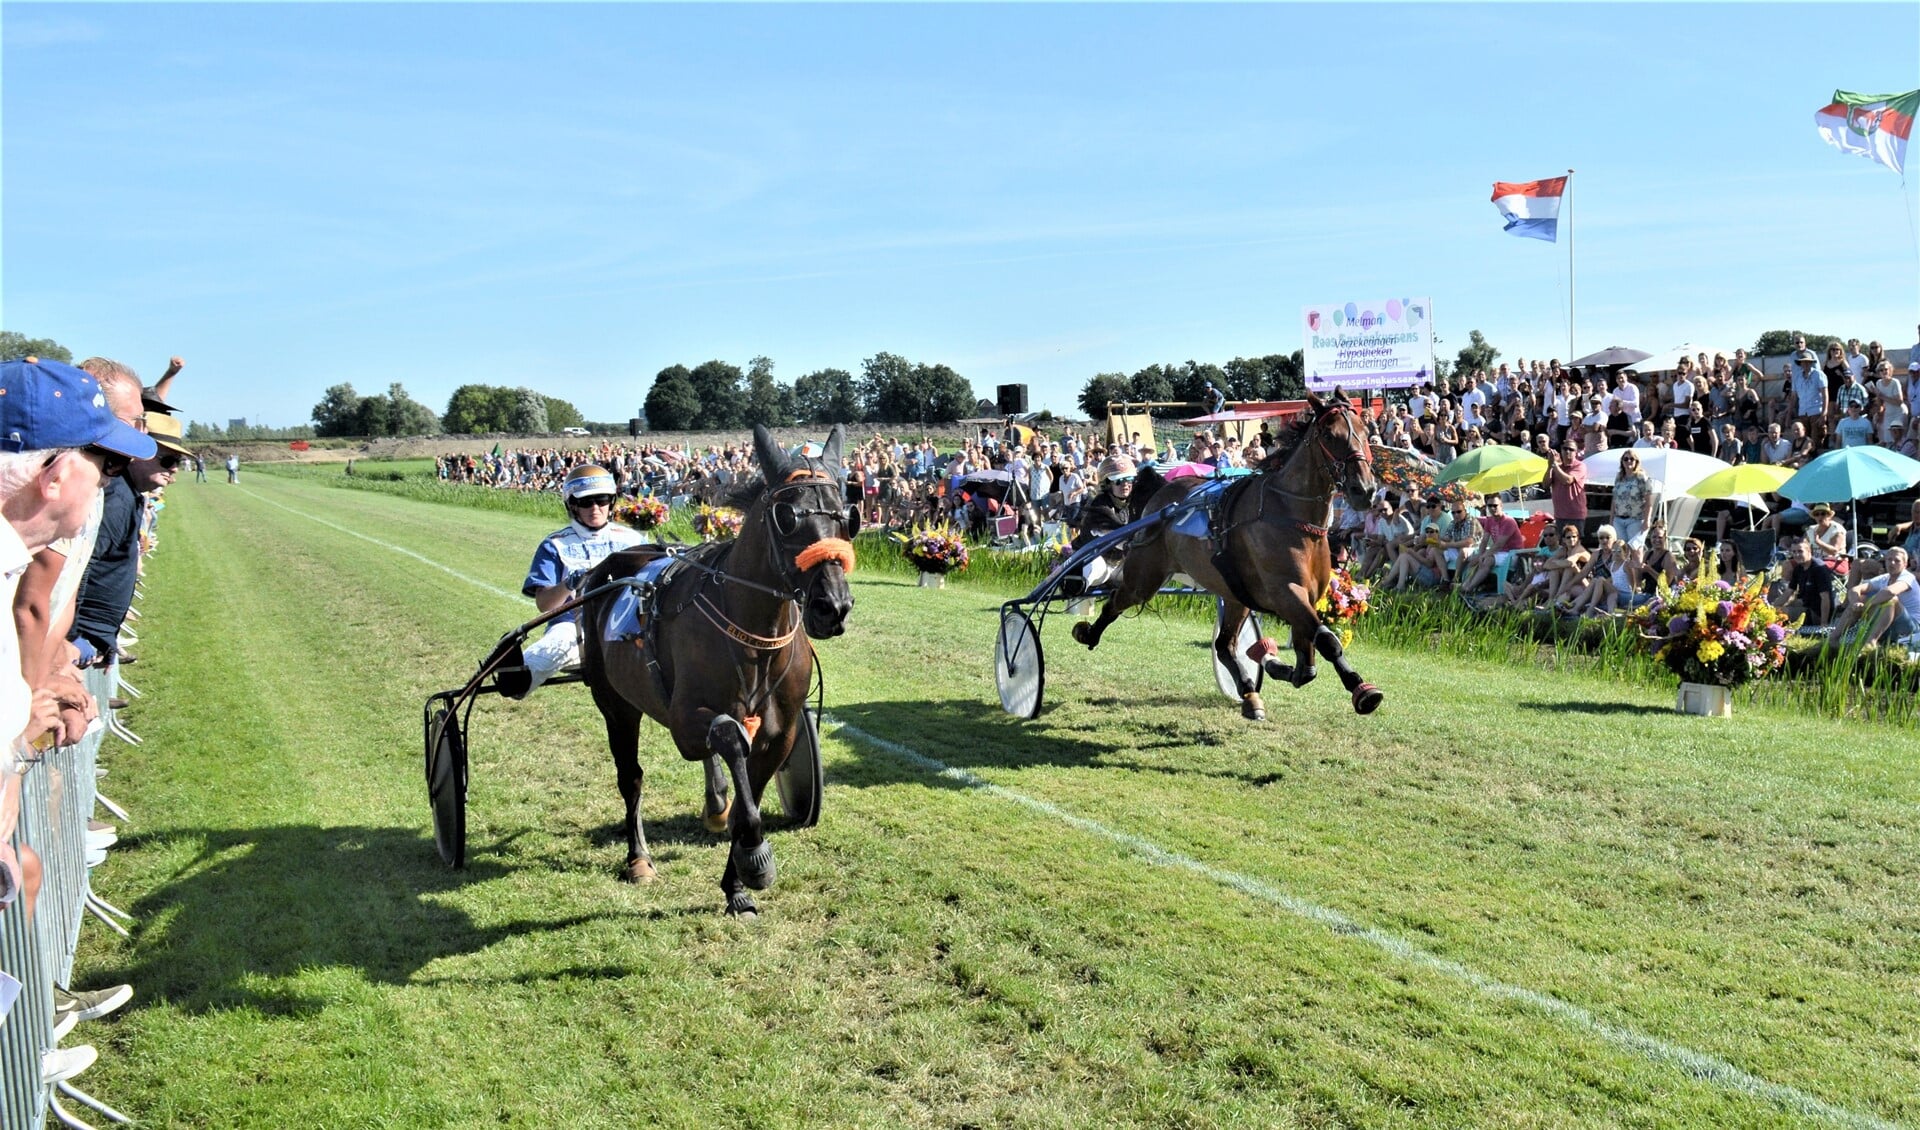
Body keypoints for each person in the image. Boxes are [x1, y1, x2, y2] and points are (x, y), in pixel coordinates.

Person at [517, 465, 648, 694]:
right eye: (586, 502)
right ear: (572, 505)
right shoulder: (555, 545)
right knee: (543, 658)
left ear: (612, 502)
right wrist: (568, 585)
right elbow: (544, 605)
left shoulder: (633, 539)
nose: (595, 508)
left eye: (602, 499)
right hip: (573, 626)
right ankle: (519, 676)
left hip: (628, 623)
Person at [1063, 454, 1137, 596]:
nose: (1125, 484)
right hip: (1095, 562)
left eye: (1129, 479)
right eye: (1119, 480)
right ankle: (1077, 591)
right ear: (1108, 483)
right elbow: (1113, 537)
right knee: (1095, 565)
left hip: (1118, 565)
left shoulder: (1133, 505)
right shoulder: (1099, 505)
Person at [1828, 545, 1920, 647]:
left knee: (1891, 600)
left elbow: (1889, 592)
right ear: (1885, 561)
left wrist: (1867, 605)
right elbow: (1855, 589)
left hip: (1911, 629)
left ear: (1905, 564)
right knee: (1860, 599)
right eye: (1889, 559)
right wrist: (1856, 603)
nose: (1892, 563)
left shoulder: (1908, 577)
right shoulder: (1884, 578)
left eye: (1897, 561)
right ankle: (1833, 638)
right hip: (1888, 626)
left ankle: (1870, 642)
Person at [1776, 538, 1837, 627]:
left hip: (1818, 613)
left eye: (1800, 551)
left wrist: (1824, 623)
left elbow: (1825, 598)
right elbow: (1789, 592)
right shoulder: (1798, 568)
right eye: (1794, 552)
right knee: (1780, 607)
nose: (1797, 555)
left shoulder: (1819, 569)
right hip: (1806, 605)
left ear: (1809, 551)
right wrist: (1771, 607)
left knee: (1781, 612)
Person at [1608, 450, 1655, 550]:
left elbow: (1649, 502)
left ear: (1636, 461)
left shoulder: (1641, 477)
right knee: (1620, 550)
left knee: (1635, 550)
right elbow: (1614, 500)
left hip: (1635, 519)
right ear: (1622, 462)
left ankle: (1637, 566)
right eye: (1626, 459)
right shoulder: (1619, 477)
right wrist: (1611, 520)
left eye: (1632, 459)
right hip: (1618, 520)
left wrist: (1647, 520)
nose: (1629, 461)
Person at [1547, 441, 1589, 536]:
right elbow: (1545, 484)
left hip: (1575, 515)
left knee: (1575, 546)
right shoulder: (1557, 467)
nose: (1567, 451)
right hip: (1559, 515)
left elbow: (1567, 480)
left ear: (1576, 452)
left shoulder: (1580, 466)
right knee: (1562, 546)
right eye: (1565, 449)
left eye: (1571, 449)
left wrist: (1555, 465)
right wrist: (1549, 466)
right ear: (1561, 450)